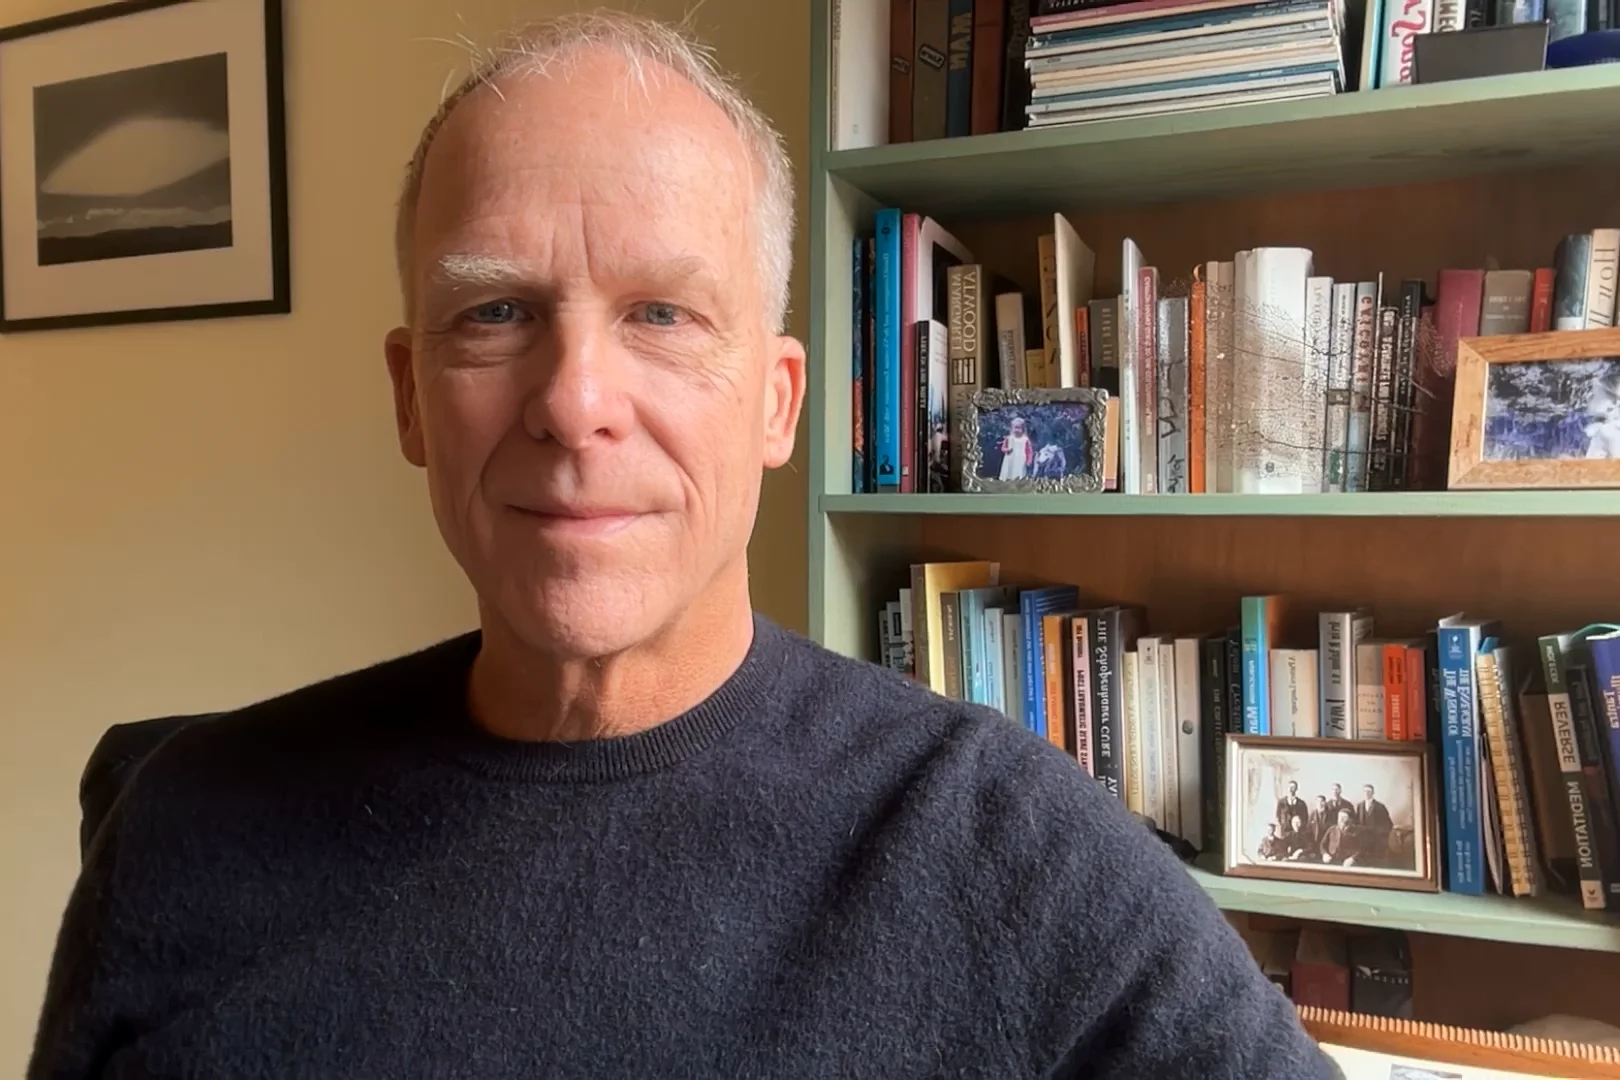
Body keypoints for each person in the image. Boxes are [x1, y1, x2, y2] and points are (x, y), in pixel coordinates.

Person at [27, 12, 1337, 1078]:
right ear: (410, 397)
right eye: (494, 312)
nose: (573, 400)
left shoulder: (1015, 851)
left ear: (776, 403)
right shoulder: (181, 827)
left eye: (660, 313)